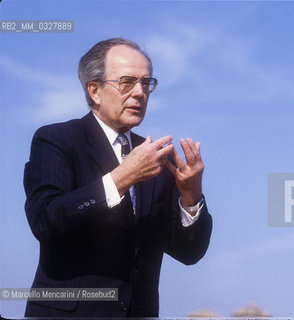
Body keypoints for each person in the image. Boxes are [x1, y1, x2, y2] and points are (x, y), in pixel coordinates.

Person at [23, 38, 213, 318]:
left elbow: (188, 253)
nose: (139, 93)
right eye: (127, 82)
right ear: (95, 91)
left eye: (146, 83)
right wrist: (120, 179)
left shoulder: (157, 157)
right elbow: (46, 220)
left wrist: (191, 197)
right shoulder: (56, 140)